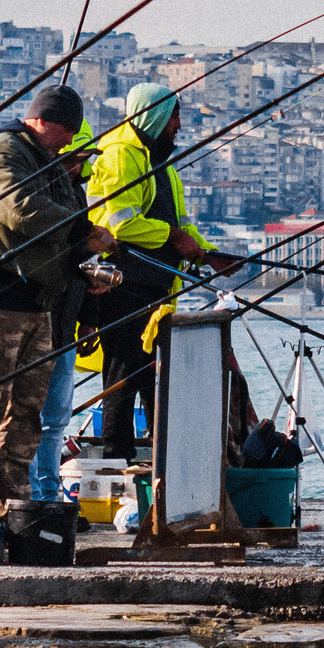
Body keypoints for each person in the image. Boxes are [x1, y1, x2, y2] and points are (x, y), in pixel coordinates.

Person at [0, 86, 113, 524]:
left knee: (27, 414)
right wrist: (82, 228)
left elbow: (57, 226)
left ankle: (14, 506)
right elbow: (19, 210)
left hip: (38, 302)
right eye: (65, 131)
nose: (68, 141)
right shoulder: (0, 152)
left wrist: (84, 267)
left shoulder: (49, 163)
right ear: (42, 120)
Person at [85, 82, 232, 459]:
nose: (179, 125)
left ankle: (158, 453)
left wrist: (208, 254)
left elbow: (180, 221)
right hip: (122, 282)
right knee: (122, 372)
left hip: (157, 287)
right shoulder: (121, 155)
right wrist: (174, 237)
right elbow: (120, 225)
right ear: (154, 117)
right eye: (174, 117)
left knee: (153, 371)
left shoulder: (159, 161)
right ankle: (115, 454)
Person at [31, 124, 107, 504]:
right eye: (73, 159)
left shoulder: (76, 195)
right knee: (32, 415)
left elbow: (84, 260)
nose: (79, 167)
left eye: (83, 160)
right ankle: (34, 491)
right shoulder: (36, 192)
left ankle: (48, 491)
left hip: (68, 321)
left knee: (57, 416)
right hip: (38, 319)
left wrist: (90, 315)